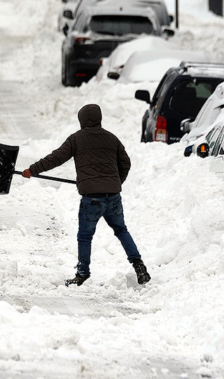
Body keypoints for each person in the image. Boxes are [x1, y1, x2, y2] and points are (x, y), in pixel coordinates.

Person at [21, 104, 151, 287]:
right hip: (113, 195)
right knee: (121, 230)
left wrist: (32, 170)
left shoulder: (76, 139)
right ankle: (138, 264)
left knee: (85, 236)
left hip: (92, 198)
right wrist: (114, 182)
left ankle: (82, 273)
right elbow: (126, 163)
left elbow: (56, 157)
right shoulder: (111, 138)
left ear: (81, 120)